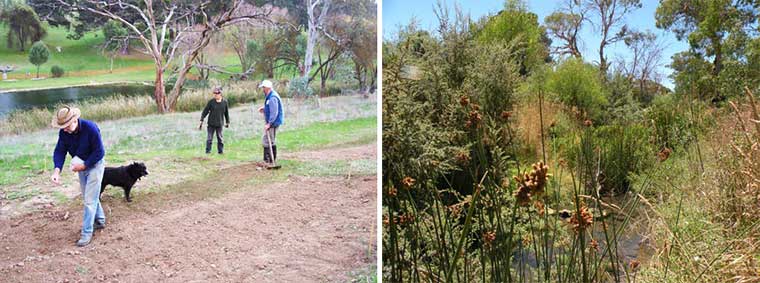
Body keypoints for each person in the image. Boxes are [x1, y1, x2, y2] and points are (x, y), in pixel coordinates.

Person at [50, 106, 106, 247]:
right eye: (62, 126)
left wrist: (85, 165)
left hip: (95, 164)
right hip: (81, 164)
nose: (64, 129)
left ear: (74, 120)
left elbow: (99, 151)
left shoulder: (91, 128)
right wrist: (57, 170)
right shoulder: (64, 133)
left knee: (89, 200)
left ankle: (86, 233)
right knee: (89, 195)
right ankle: (100, 219)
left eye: (66, 126)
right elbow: (60, 151)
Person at [257, 80, 284, 164]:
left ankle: (269, 160)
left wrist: (269, 123)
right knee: (269, 139)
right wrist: (264, 109)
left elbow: (274, 112)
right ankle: (269, 160)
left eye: (263, 88)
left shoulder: (272, 97)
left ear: (267, 88)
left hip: (273, 122)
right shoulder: (270, 96)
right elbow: (270, 107)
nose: (263, 89)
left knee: (267, 140)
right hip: (272, 122)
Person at [199, 87, 230, 154]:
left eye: (217, 93)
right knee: (209, 139)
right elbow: (205, 111)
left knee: (220, 138)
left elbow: (226, 113)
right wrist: (202, 119)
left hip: (220, 124)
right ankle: (208, 152)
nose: (215, 94)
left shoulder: (224, 102)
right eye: (214, 93)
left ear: (220, 94)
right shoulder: (211, 102)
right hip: (211, 124)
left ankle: (220, 152)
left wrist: (227, 122)